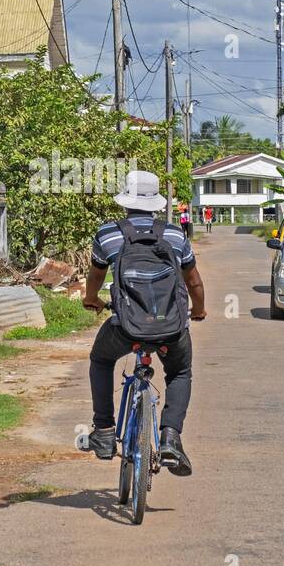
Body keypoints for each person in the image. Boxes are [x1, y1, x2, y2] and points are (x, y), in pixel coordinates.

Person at [82, 170, 207, 476]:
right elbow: (194, 283)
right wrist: (199, 310)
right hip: (171, 328)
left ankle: (104, 431)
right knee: (179, 371)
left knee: (100, 359)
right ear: (156, 204)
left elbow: (96, 277)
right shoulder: (177, 236)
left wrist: (91, 298)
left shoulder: (107, 235)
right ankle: (170, 437)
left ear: (125, 201)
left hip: (126, 328)